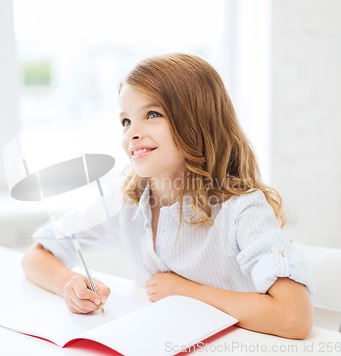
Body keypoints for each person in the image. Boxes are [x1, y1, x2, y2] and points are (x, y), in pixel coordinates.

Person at [22, 53, 314, 339]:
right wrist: (69, 284)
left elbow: (294, 317)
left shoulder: (240, 208)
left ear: (197, 122)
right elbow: (36, 255)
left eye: (152, 114)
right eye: (125, 121)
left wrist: (188, 293)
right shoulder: (124, 198)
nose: (131, 133)